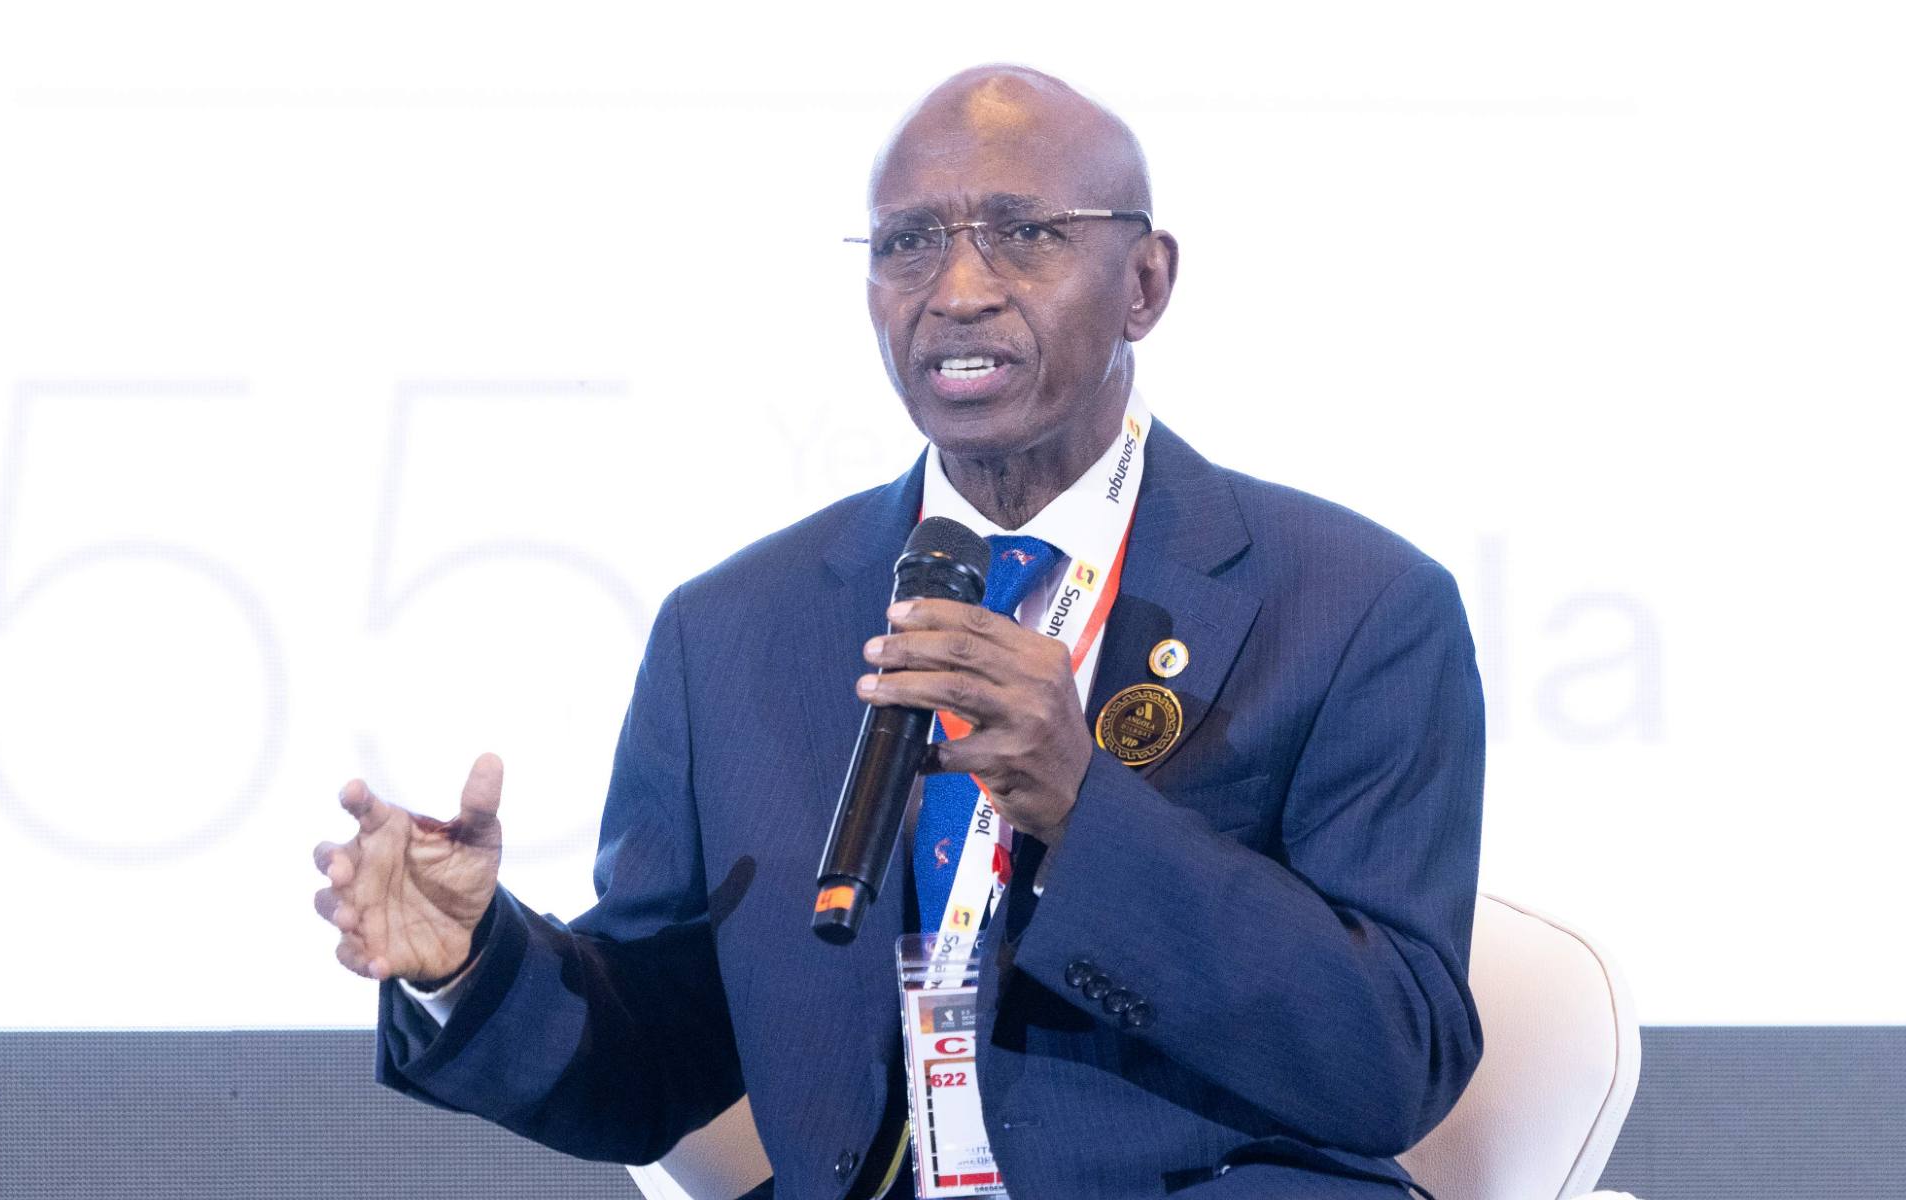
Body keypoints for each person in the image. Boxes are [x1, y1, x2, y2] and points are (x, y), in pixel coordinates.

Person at [313, 65, 1485, 1199]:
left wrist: (1085, 808)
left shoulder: (1354, 607)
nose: (959, 289)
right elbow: (654, 1057)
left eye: (1024, 233)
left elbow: (1396, 1057)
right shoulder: (732, 632)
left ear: (1145, 283)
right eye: (908, 242)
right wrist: (474, 962)